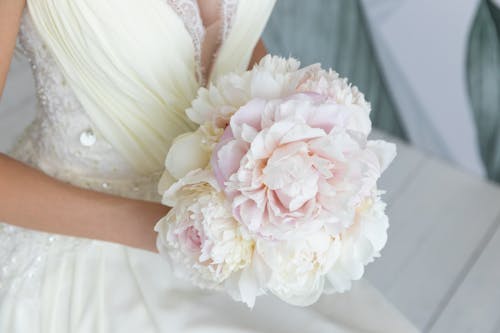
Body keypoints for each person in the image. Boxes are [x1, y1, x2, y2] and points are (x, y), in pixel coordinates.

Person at [0, 1, 419, 332]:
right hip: (86, 247)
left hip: (236, 226)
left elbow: (226, 42)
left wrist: (287, 132)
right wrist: (172, 230)